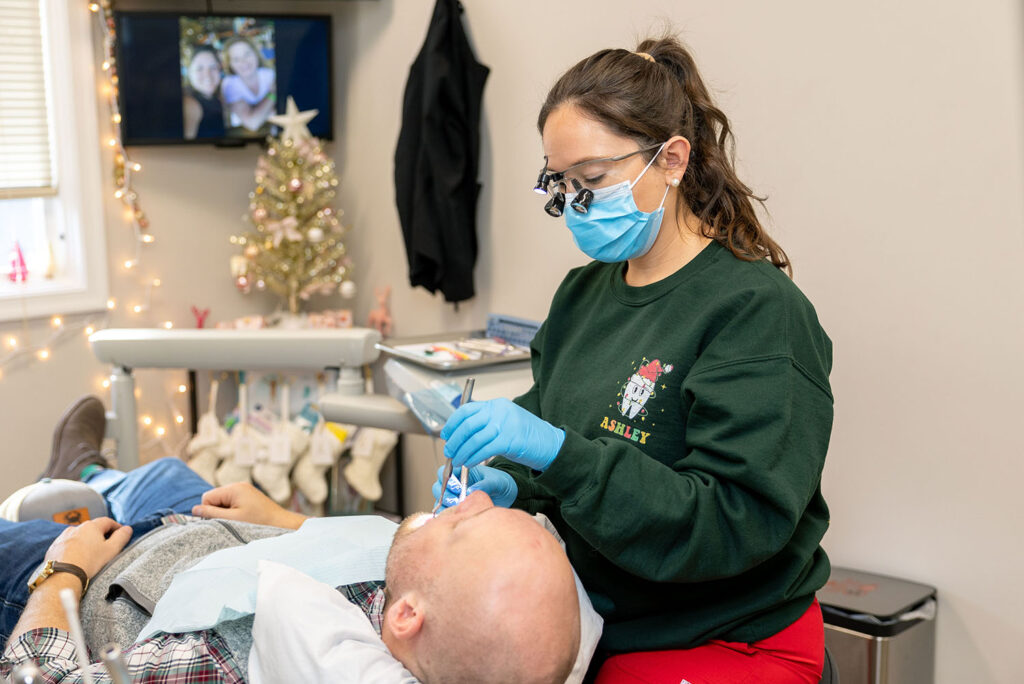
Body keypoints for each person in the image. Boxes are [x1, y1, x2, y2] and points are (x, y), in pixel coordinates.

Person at [435, 34, 834, 683]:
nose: (575, 204)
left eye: (591, 179)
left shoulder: (755, 311)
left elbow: (732, 522)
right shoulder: (583, 294)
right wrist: (508, 483)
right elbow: (554, 432)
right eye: (560, 183)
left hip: (721, 637)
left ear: (672, 160)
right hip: (598, 622)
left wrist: (557, 454)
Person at [0, 397, 583, 684]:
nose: (476, 500)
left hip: (116, 573)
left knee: (33, 537)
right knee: (167, 475)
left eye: (464, 526)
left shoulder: (228, 656)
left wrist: (63, 576)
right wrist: (282, 520)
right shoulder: (451, 625)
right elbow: (383, 562)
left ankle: (78, 485)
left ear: (406, 617)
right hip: (224, 537)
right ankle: (86, 471)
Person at [220, 36, 276, 133]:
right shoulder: (229, 84)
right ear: (230, 65)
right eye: (236, 59)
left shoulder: (270, 74)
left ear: (256, 54)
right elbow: (252, 123)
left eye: (247, 54)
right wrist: (273, 93)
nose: (243, 62)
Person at [182, 45, 226, 140]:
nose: (207, 75)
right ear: (189, 73)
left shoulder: (216, 97)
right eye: (199, 69)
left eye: (213, 67)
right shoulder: (190, 105)